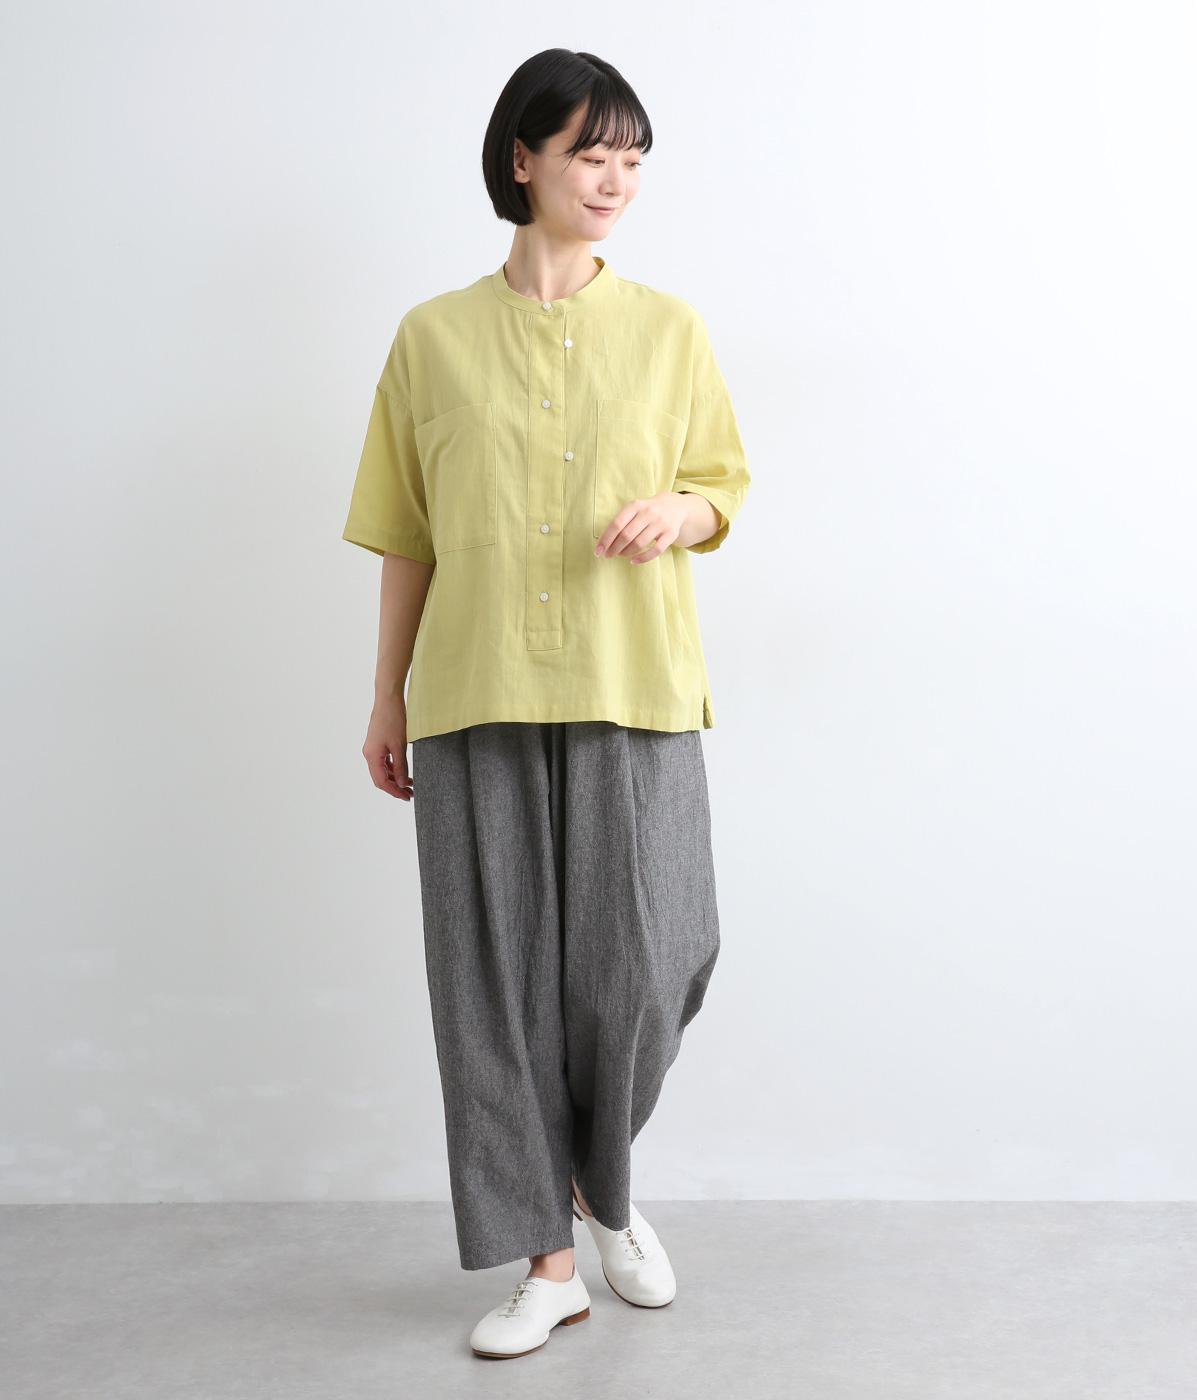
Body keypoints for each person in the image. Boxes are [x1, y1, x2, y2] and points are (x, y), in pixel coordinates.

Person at [341, 48, 751, 1360]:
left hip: (637, 686)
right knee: (494, 982)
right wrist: (386, 696)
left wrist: (677, 511)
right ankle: (552, 1263)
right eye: (590, 153)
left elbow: (721, 488)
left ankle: (594, 1183)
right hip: (474, 692)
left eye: (632, 158)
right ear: (522, 160)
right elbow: (406, 533)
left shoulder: (670, 328)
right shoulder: (431, 338)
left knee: (659, 954)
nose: (614, 179)